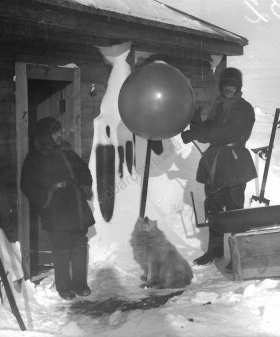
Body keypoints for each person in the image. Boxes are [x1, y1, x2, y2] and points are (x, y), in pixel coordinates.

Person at [181, 67, 257, 267]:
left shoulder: (244, 108)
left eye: (232, 85)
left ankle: (238, 256)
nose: (228, 89)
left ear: (238, 87)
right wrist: (194, 126)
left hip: (235, 162)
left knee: (234, 212)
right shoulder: (218, 107)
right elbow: (209, 128)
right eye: (225, 85)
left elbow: (229, 132)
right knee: (213, 208)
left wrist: (200, 135)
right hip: (215, 162)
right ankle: (214, 252)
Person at [21, 117, 95, 300]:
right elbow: (27, 184)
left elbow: (83, 169)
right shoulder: (35, 158)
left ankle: (80, 284)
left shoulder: (67, 151)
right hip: (55, 209)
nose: (60, 135)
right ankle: (64, 287)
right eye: (55, 132)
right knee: (61, 246)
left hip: (75, 204)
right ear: (46, 135)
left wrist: (85, 187)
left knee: (79, 243)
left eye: (60, 131)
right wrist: (47, 198)